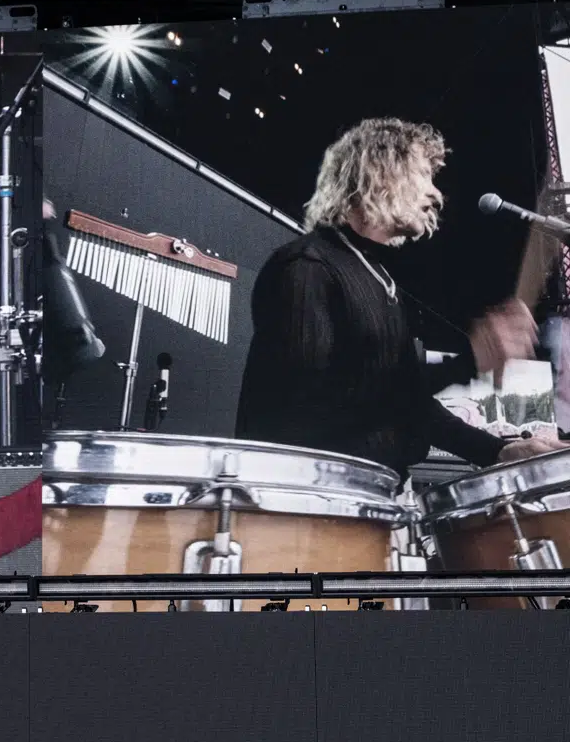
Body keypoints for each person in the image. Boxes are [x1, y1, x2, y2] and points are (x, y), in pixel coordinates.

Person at [235, 117, 562, 476]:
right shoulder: (307, 268)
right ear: (380, 174)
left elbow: (408, 406)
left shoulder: (380, 279)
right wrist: (469, 360)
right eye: (423, 175)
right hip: (306, 504)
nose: (434, 194)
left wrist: (501, 450)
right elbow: (311, 409)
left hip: (372, 498)